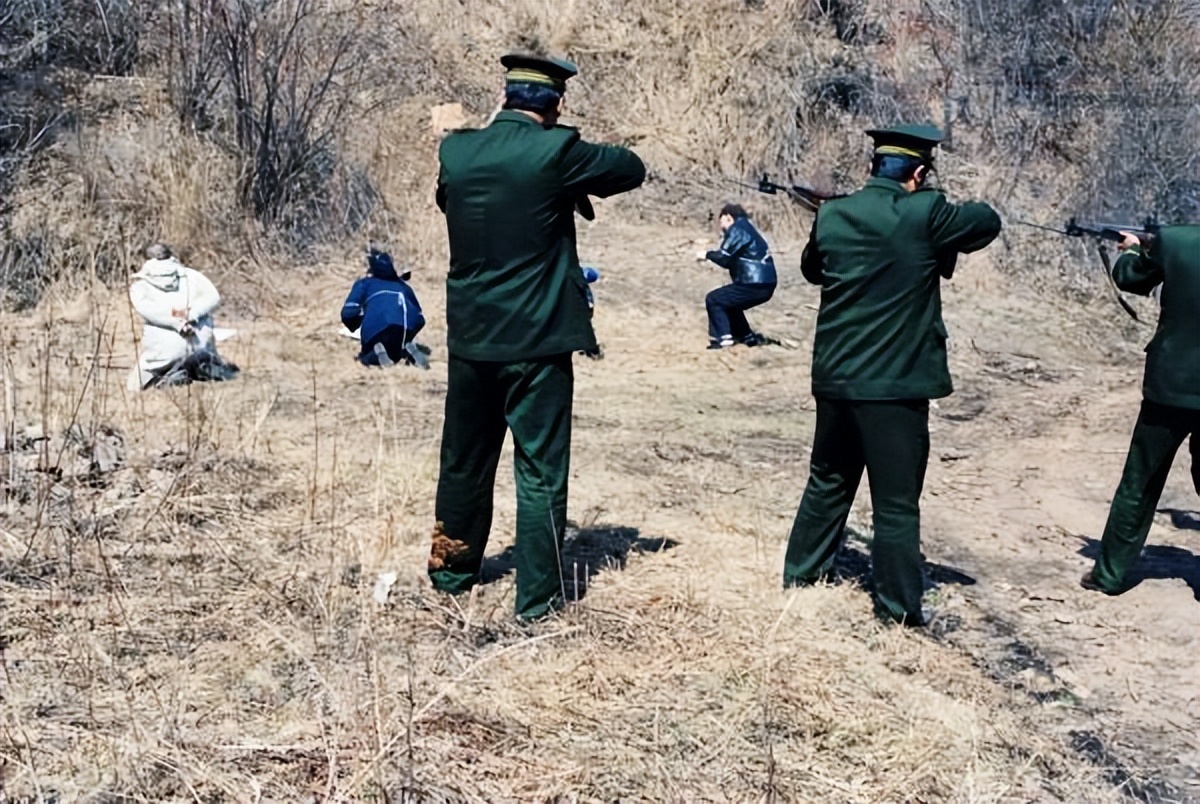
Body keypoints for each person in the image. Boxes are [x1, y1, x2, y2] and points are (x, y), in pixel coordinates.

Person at [428, 52, 645, 621]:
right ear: (554, 106)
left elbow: (452, 199)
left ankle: (451, 570)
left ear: (502, 98)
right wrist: (563, 142)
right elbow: (630, 168)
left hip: (472, 336)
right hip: (538, 343)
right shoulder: (558, 151)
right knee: (540, 470)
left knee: (463, 460)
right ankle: (539, 601)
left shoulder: (456, 150)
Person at [782, 124, 1001, 625]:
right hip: (895, 385)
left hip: (836, 377)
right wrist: (934, 200)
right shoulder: (928, 212)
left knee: (827, 481)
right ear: (919, 173)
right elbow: (986, 222)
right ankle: (898, 608)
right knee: (896, 503)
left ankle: (801, 578)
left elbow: (814, 269)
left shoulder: (833, 214)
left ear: (872, 166)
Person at [1081, 224, 1200, 595]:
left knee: (1141, 481)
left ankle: (1109, 574)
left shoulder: (1177, 240)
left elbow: (1131, 279)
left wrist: (1132, 249)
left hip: (1171, 385)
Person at [128, 243, 238, 390]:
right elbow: (213, 297)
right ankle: (201, 367)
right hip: (200, 344)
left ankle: (172, 374)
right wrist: (192, 314)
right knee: (201, 354)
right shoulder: (192, 275)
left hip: (162, 353)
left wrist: (177, 323)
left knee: (135, 384)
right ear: (170, 256)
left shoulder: (139, 287)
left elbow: (151, 311)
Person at [700, 204, 777, 349]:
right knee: (730, 302)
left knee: (714, 299)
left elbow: (723, 255)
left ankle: (723, 338)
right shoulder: (748, 228)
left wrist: (707, 254)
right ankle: (747, 336)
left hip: (753, 282)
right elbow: (728, 261)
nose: (721, 226)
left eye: (721, 221)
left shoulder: (738, 229)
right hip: (766, 282)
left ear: (729, 217)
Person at [340, 247, 428, 369]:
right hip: (406, 328)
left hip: (378, 327)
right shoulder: (404, 286)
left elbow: (348, 313)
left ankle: (376, 350)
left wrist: (356, 324)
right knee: (396, 348)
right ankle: (407, 348)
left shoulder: (364, 283)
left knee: (366, 355)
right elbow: (419, 317)